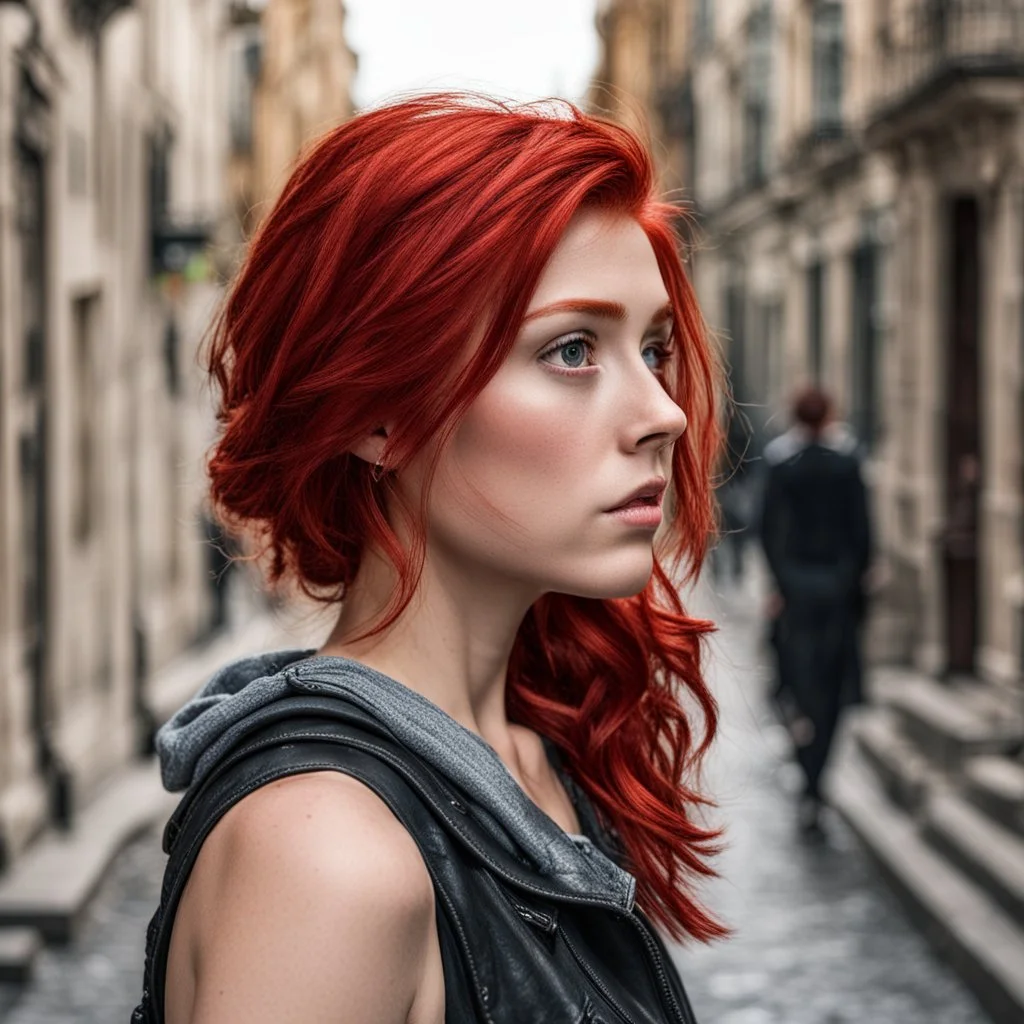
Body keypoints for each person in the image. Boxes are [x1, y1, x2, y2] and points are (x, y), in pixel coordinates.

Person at [131, 94, 729, 1024]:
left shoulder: (538, 754)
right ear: (379, 412)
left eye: (652, 348)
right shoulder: (328, 857)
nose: (664, 412)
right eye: (572, 349)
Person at [758, 387, 872, 832]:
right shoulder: (847, 465)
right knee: (833, 686)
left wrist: (781, 582)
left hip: (797, 592)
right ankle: (816, 775)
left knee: (800, 683)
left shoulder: (783, 466)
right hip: (837, 593)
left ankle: (809, 769)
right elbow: (862, 533)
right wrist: (853, 581)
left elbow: (770, 530)